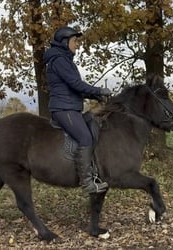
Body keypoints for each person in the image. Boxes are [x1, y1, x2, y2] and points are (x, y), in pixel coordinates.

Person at [43, 26, 111, 194]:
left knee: (94, 124)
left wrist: (97, 97)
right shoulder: (59, 60)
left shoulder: (65, 60)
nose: (77, 45)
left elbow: (75, 88)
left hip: (70, 107)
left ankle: (95, 171)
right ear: (65, 42)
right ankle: (87, 183)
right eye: (75, 41)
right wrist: (99, 91)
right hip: (63, 108)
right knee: (85, 137)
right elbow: (76, 84)